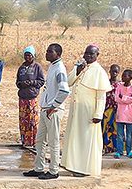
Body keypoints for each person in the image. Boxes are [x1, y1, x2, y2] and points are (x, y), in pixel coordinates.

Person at [61, 45, 111, 177]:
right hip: (76, 109)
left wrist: (98, 114)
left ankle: (84, 169)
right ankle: (72, 165)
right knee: (75, 137)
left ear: (97, 55)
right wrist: (77, 71)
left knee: (86, 139)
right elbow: (69, 82)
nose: (88, 56)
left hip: (89, 110)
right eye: (86, 53)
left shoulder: (99, 71)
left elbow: (101, 96)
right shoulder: (81, 67)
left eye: (91, 54)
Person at [23, 43, 69, 180]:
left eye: (50, 52)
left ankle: (54, 170)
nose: (46, 54)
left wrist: (54, 105)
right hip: (45, 109)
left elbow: (64, 90)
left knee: (53, 141)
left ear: (58, 54)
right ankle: (39, 167)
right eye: (47, 51)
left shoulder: (60, 69)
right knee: (40, 140)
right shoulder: (52, 66)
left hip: (53, 110)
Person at [16, 45, 45, 148]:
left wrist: (31, 82)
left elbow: (41, 81)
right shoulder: (21, 68)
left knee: (33, 119)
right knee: (23, 120)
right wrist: (21, 84)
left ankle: (34, 141)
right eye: (26, 55)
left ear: (33, 56)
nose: (27, 57)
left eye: (29, 55)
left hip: (32, 97)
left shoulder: (37, 67)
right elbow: (17, 82)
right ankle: (25, 141)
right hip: (23, 97)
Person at [114, 69, 132, 158]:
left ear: (130, 78)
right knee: (119, 134)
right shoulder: (119, 87)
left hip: (129, 115)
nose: (122, 77)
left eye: (125, 76)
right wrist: (127, 98)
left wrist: (123, 98)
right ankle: (119, 151)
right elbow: (116, 98)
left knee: (129, 135)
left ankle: (129, 151)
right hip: (120, 114)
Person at [102, 64, 121, 154]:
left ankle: (116, 148)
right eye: (113, 71)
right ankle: (106, 147)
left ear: (118, 73)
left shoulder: (121, 84)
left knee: (116, 129)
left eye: (116, 72)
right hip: (107, 109)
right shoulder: (106, 83)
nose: (114, 73)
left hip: (117, 109)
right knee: (105, 128)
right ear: (109, 71)